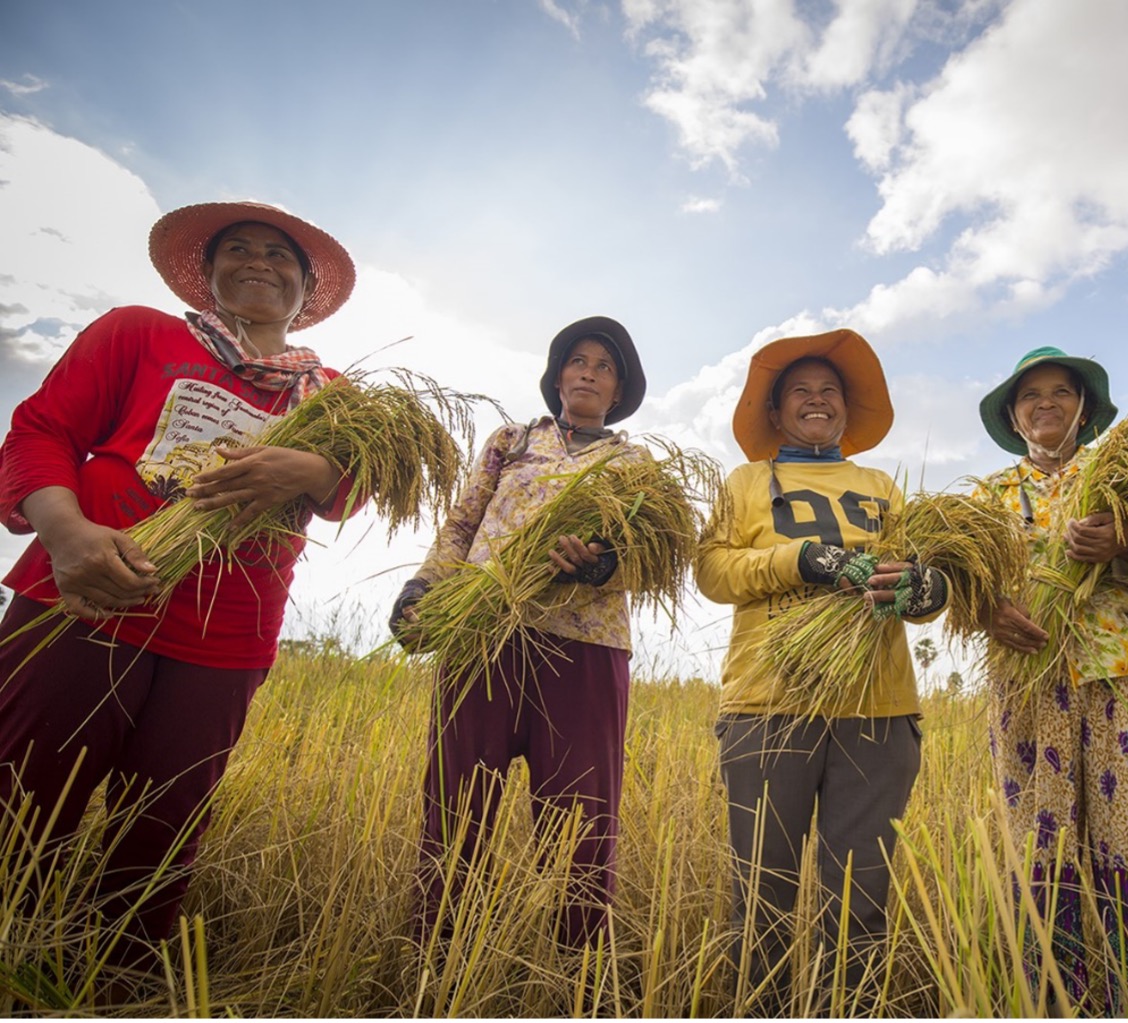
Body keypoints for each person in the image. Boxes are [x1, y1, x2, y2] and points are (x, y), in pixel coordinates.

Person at [0, 201, 358, 975]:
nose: (258, 261)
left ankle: (116, 980)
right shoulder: (139, 332)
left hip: (223, 636)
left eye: (279, 256)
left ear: (305, 291)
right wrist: (66, 536)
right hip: (84, 601)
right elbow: (40, 432)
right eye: (238, 249)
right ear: (208, 275)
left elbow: (358, 485)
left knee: (161, 826)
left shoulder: (331, 396)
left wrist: (317, 467)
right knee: (21, 801)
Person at [694, 328, 948, 1013]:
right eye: (799, 391)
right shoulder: (746, 483)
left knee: (861, 902)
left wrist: (926, 588)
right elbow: (712, 571)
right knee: (761, 902)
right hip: (766, 705)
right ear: (775, 413)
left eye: (828, 391)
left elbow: (923, 576)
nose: (815, 400)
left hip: (877, 708)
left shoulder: (880, 486)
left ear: (845, 409)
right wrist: (798, 561)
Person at [390, 315, 648, 950]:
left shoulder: (633, 462)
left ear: (618, 392)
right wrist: (422, 588)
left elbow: (651, 552)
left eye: (604, 366)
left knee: (581, 819)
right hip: (484, 635)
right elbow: (462, 521)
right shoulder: (511, 440)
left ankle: (575, 973)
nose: (588, 371)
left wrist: (605, 563)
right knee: (456, 805)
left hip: (585, 646)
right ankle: (439, 960)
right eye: (577, 360)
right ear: (558, 376)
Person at [976, 345, 1128, 1013]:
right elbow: (966, 588)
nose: (1045, 402)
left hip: (1127, 677)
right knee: (1039, 847)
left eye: (1060, 392)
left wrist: (1125, 548)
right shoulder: (989, 496)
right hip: (1028, 684)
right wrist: (987, 608)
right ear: (1014, 419)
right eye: (1029, 395)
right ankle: (1052, 1004)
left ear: (1085, 409)